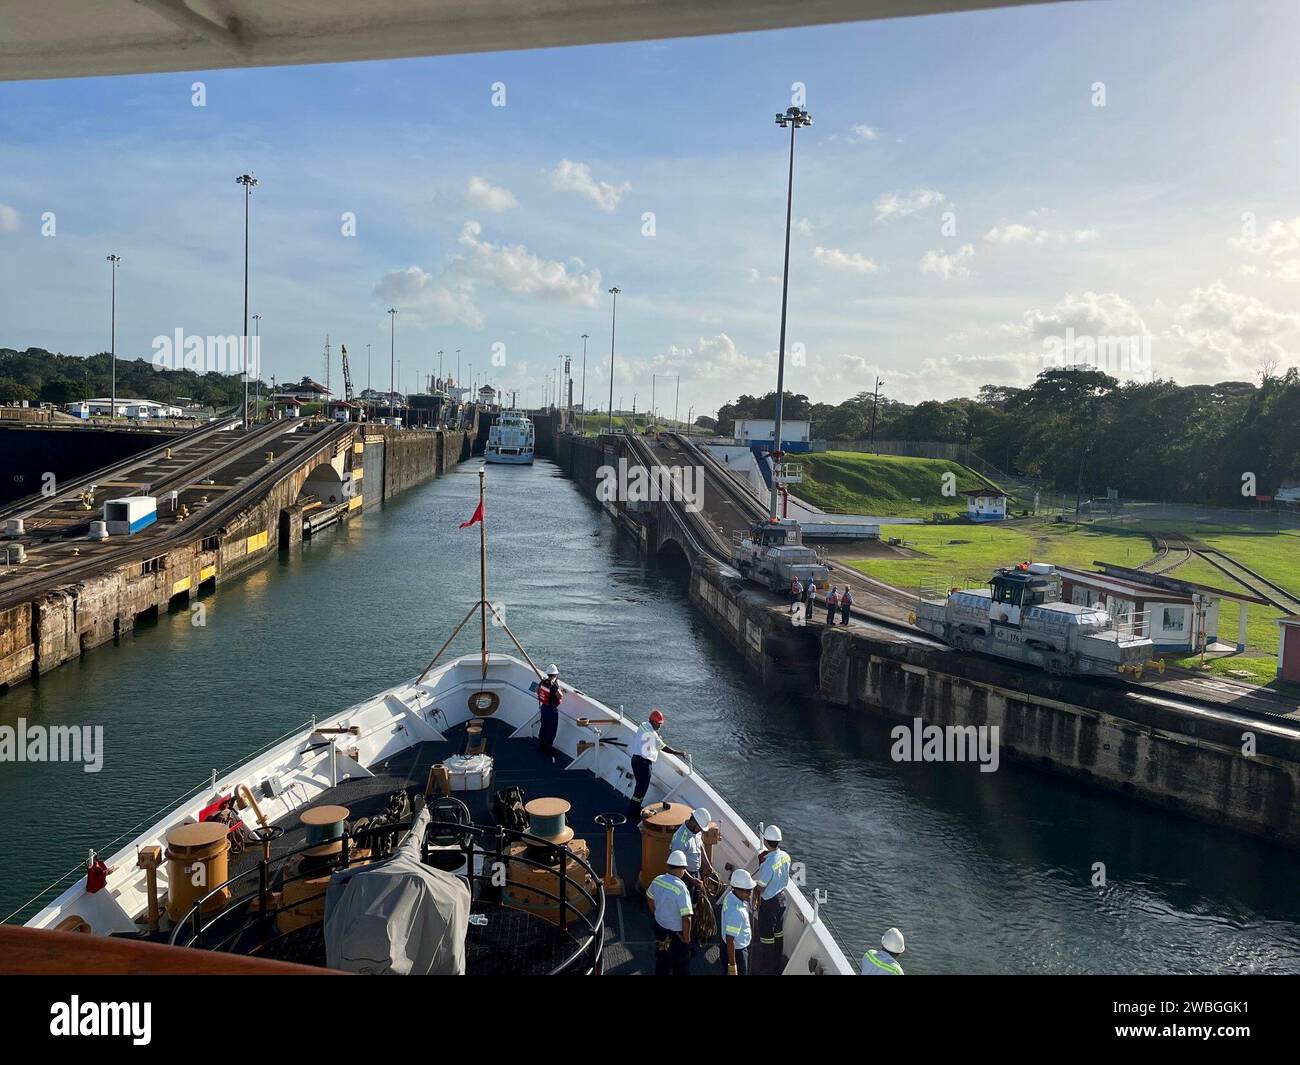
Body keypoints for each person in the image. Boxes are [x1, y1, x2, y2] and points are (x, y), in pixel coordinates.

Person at [629, 708, 686, 813]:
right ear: (654, 722)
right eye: (659, 723)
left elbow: (648, 738)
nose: (660, 726)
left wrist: (656, 737)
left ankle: (634, 808)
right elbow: (665, 748)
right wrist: (679, 753)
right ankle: (633, 811)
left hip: (635, 760)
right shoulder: (653, 735)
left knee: (639, 787)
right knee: (642, 789)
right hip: (644, 765)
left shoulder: (643, 725)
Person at [646, 850, 694, 975]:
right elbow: (686, 918)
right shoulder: (681, 889)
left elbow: (649, 897)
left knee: (662, 963)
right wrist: (686, 939)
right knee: (681, 967)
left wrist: (656, 913)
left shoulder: (658, 880)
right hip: (676, 936)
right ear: (681, 869)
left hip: (660, 929)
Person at [753, 824, 791, 974]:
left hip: (769, 903)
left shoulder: (768, 863)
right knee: (778, 932)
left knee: (767, 936)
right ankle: (776, 962)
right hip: (782, 898)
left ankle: (767, 966)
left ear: (766, 841)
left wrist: (753, 888)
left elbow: (761, 886)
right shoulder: (786, 856)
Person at [669, 807, 714, 902]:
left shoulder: (696, 831)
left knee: (696, 898)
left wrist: (707, 864)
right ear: (693, 820)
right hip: (685, 875)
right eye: (699, 828)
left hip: (697, 872)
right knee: (686, 901)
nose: (700, 831)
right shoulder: (680, 840)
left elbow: (700, 846)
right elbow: (678, 866)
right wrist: (691, 879)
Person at [721, 869, 755, 975]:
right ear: (737, 889)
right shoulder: (736, 912)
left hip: (726, 947)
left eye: (751, 890)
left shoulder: (730, 895)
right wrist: (733, 965)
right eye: (747, 891)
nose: (750, 894)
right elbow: (730, 940)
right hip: (737, 952)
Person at [536, 664, 562, 757]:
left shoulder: (543, 682)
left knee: (543, 727)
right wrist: (558, 689)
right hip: (551, 710)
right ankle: (548, 749)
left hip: (544, 708)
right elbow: (560, 696)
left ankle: (541, 746)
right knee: (552, 730)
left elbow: (537, 690)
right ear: (555, 675)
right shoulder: (553, 685)